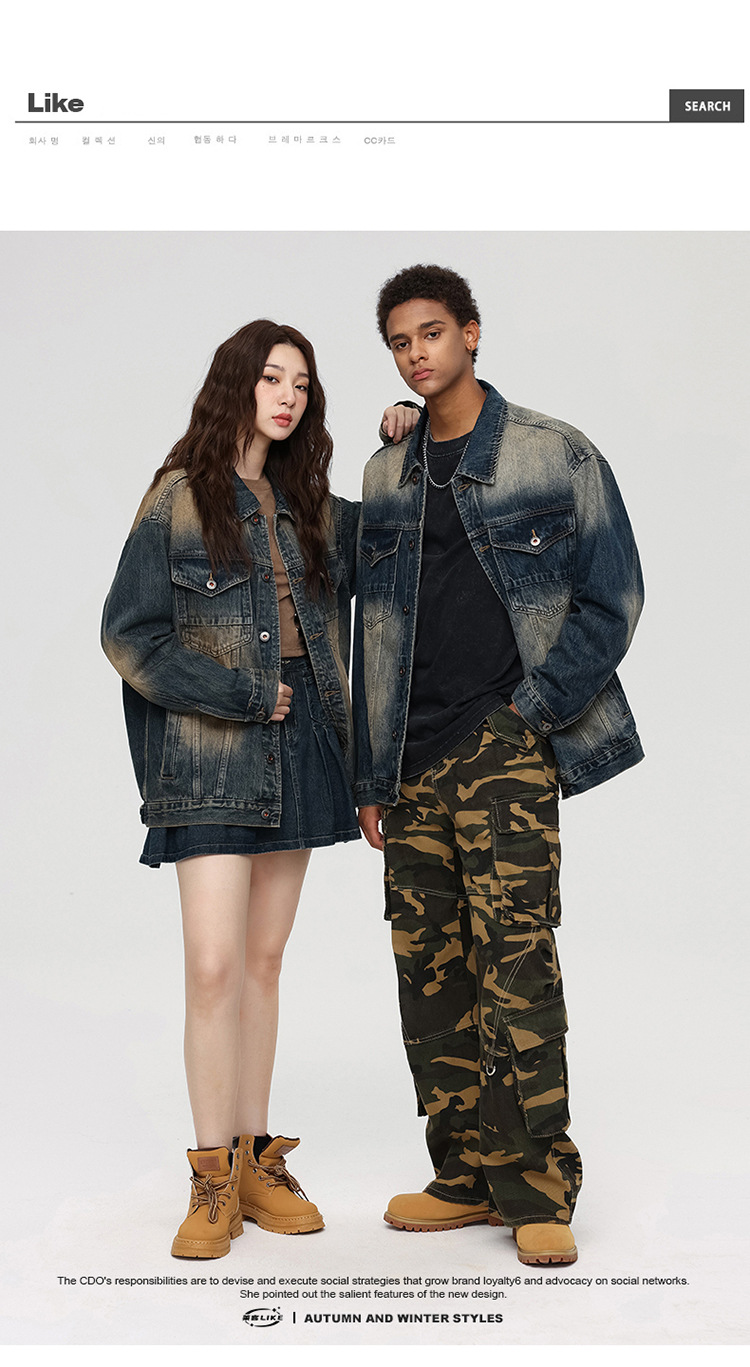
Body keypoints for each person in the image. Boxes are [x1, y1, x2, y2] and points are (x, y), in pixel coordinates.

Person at [101, 319, 416, 1259]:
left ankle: (252, 1163)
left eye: (302, 384)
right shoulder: (178, 497)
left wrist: (401, 440)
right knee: (212, 965)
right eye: (272, 378)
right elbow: (128, 634)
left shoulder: (310, 503)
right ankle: (208, 1180)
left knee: (264, 963)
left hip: (305, 743)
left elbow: (398, 535)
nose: (287, 396)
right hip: (211, 751)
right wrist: (239, 692)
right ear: (236, 383)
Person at [353, 264, 644, 1267]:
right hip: (409, 760)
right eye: (400, 342)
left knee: (516, 966)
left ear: (471, 333)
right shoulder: (385, 472)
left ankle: (537, 1185)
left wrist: (531, 714)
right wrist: (371, 772)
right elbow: (374, 625)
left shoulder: (554, 452)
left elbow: (613, 598)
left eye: (432, 333)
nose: (416, 354)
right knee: (429, 975)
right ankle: (465, 1175)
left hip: (503, 751)